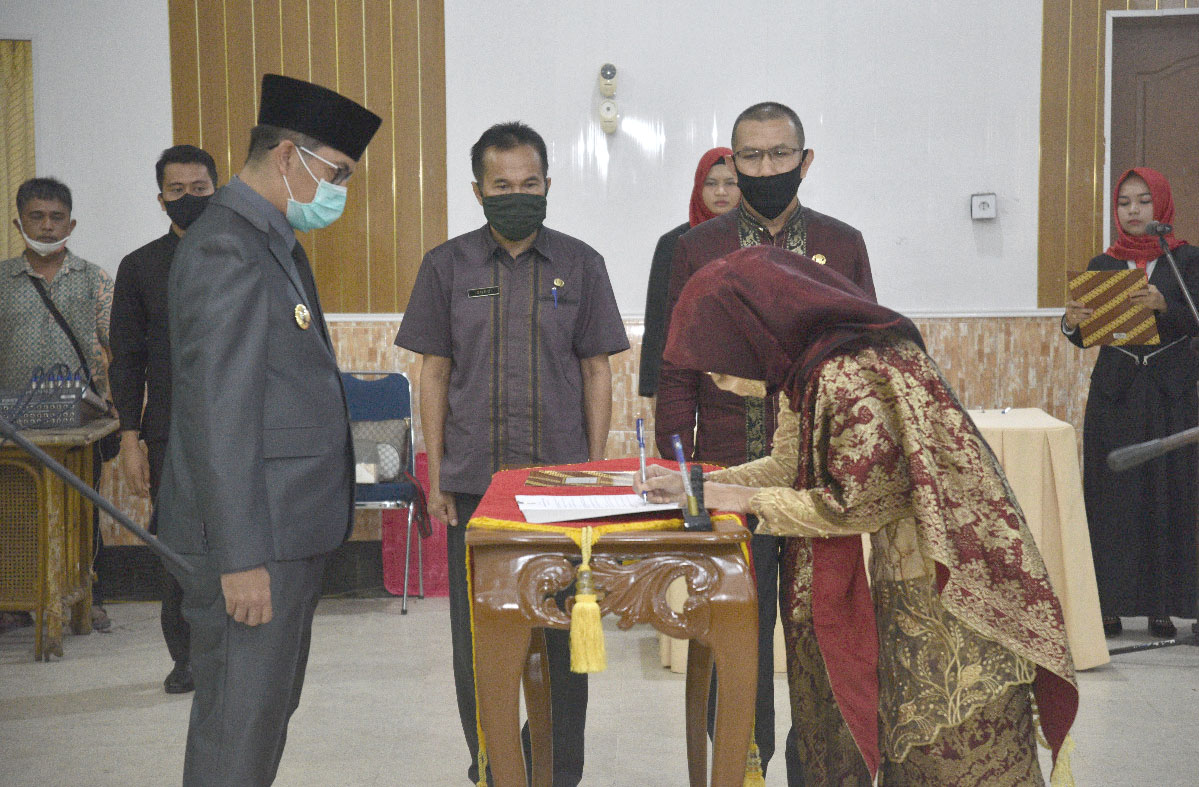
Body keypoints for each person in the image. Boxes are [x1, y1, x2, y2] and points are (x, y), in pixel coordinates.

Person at [640, 245, 1079, 785]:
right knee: (906, 741)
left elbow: (857, 503)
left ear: (751, 329)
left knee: (950, 745)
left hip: (946, 584)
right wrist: (699, 484)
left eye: (717, 358)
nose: (718, 379)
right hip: (905, 574)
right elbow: (787, 464)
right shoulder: (809, 364)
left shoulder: (849, 370)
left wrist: (736, 500)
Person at [155, 74, 380, 785]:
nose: (339, 189)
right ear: (290, 157)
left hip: (283, 532)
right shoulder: (228, 246)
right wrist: (241, 558)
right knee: (237, 734)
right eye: (336, 173)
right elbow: (217, 413)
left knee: (257, 724)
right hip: (255, 545)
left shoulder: (267, 239)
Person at [395, 121, 629, 786]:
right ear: (478, 189)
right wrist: (436, 469)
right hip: (475, 487)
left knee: (563, 645)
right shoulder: (446, 266)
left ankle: (557, 771)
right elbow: (433, 374)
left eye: (529, 183)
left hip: (560, 490)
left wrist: (595, 473)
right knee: (479, 650)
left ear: (548, 184)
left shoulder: (581, 264)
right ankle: (495, 767)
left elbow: (597, 373)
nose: (516, 194)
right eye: (502, 185)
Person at [654, 101, 875, 780]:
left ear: (804, 162)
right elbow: (676, 368)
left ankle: (823, 773)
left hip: (815, 484)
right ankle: (740, 769)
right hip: (725, 474)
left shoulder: (842, 245)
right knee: (734, 643)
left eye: (779, 155)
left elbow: (868, 362)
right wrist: (677, 469)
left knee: (821, 641)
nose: (765, 168)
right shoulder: (695, 248)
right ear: (731, 161)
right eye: (750, 157)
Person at [1062, 166, 1199, 640]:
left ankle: (1162, 607)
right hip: (1115, 395)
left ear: (1161, 206)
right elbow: (1082, 335)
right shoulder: (1103, 264)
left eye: (1143, 201)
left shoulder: (1187, 261)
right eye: (1125, 203)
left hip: (1171, 395)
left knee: (1169, 497)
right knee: (1111, 500)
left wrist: (1167, 307)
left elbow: (1196, 320)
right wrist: (1070, 321)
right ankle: (1108, 606)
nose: (1135, 210)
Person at [110, 144, 219, 694]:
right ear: (160, 199)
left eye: (199, 189)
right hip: (168, 430)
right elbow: (126, 359)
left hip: (236, 429)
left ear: (216, 189)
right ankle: (186, 657)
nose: (188, 199)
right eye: (176, 191)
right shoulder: (140, 267)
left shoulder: (240, 255)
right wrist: (131, 438)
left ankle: (234, 653)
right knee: (177, 546)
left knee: (237, 539)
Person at [1, 176, 114, 632]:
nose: (47, 227)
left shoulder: (95, 280)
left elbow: (120, 348)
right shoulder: (2, 281)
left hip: (81, 424)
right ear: (18, 221)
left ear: (72, 223)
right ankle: (13, 600)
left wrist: (119, 406)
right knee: (13, 512)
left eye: (56, 218)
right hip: (12, 426)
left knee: (82, 511)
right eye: (37, 217)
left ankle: (88, 596)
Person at [638, 147, 738, 397]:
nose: (721, 191)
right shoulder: (675, 243)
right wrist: (652, 387)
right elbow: (658, 319)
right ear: (698, 188)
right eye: (711, 183)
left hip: (744, 375)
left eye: (730, 183)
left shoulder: (755, 240)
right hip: (685, 376)